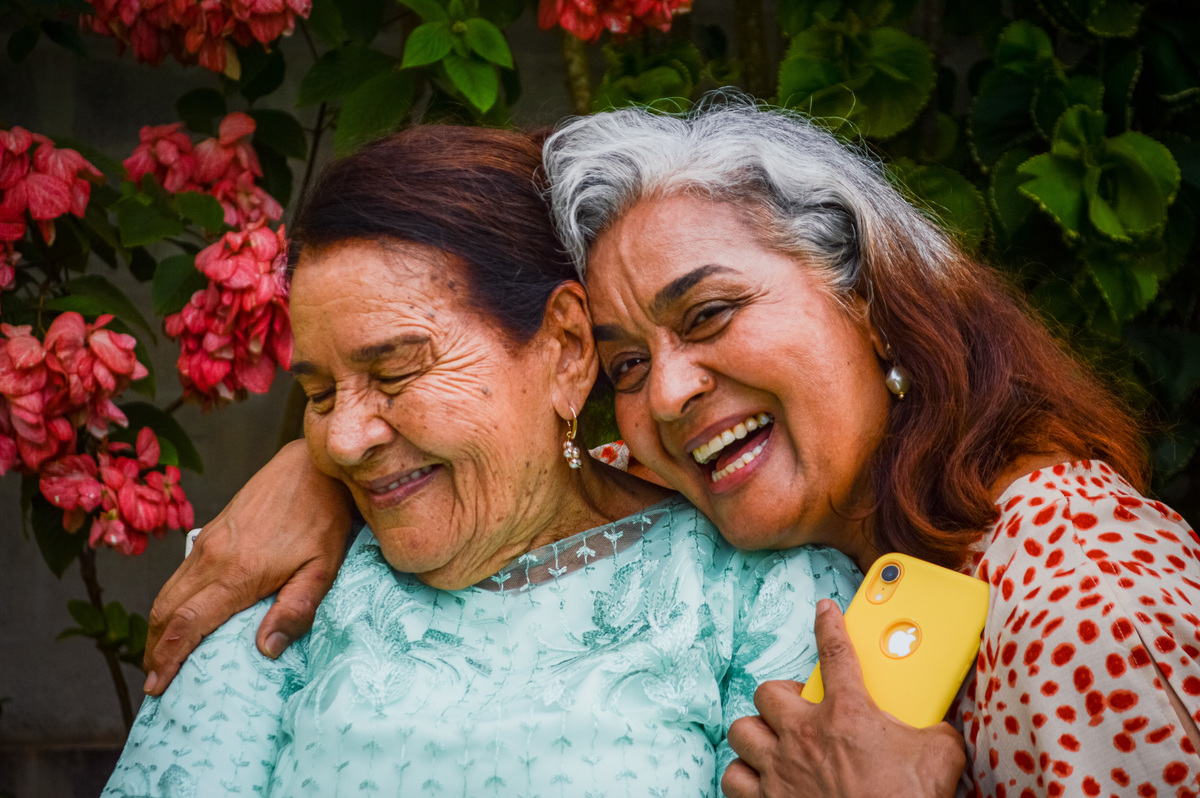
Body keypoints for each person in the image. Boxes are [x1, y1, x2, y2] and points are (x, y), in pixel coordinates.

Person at [142, 99, 1200, 797]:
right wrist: (329, 467)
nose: (672, 391)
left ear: (871, 302)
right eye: (628, 365)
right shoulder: (816, 522)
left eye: (709, 315)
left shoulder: (1087, 607)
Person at [101, 124, 861, 798]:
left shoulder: (761, 594)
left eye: (395, 371)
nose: (342, 440)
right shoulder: (284, 585)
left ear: (565, 349)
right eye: (323, 392)